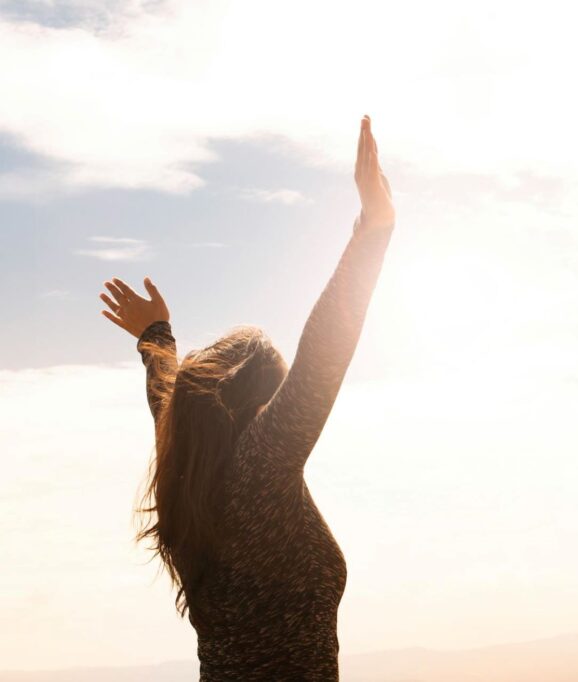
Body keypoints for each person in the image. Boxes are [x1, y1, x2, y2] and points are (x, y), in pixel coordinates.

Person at [99, 115, 395, 681]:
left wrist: (156, 338)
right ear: (261, 402)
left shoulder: (188, 474)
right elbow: (323, 356)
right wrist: (373, 229)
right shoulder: (259, 469)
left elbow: (167, 402)